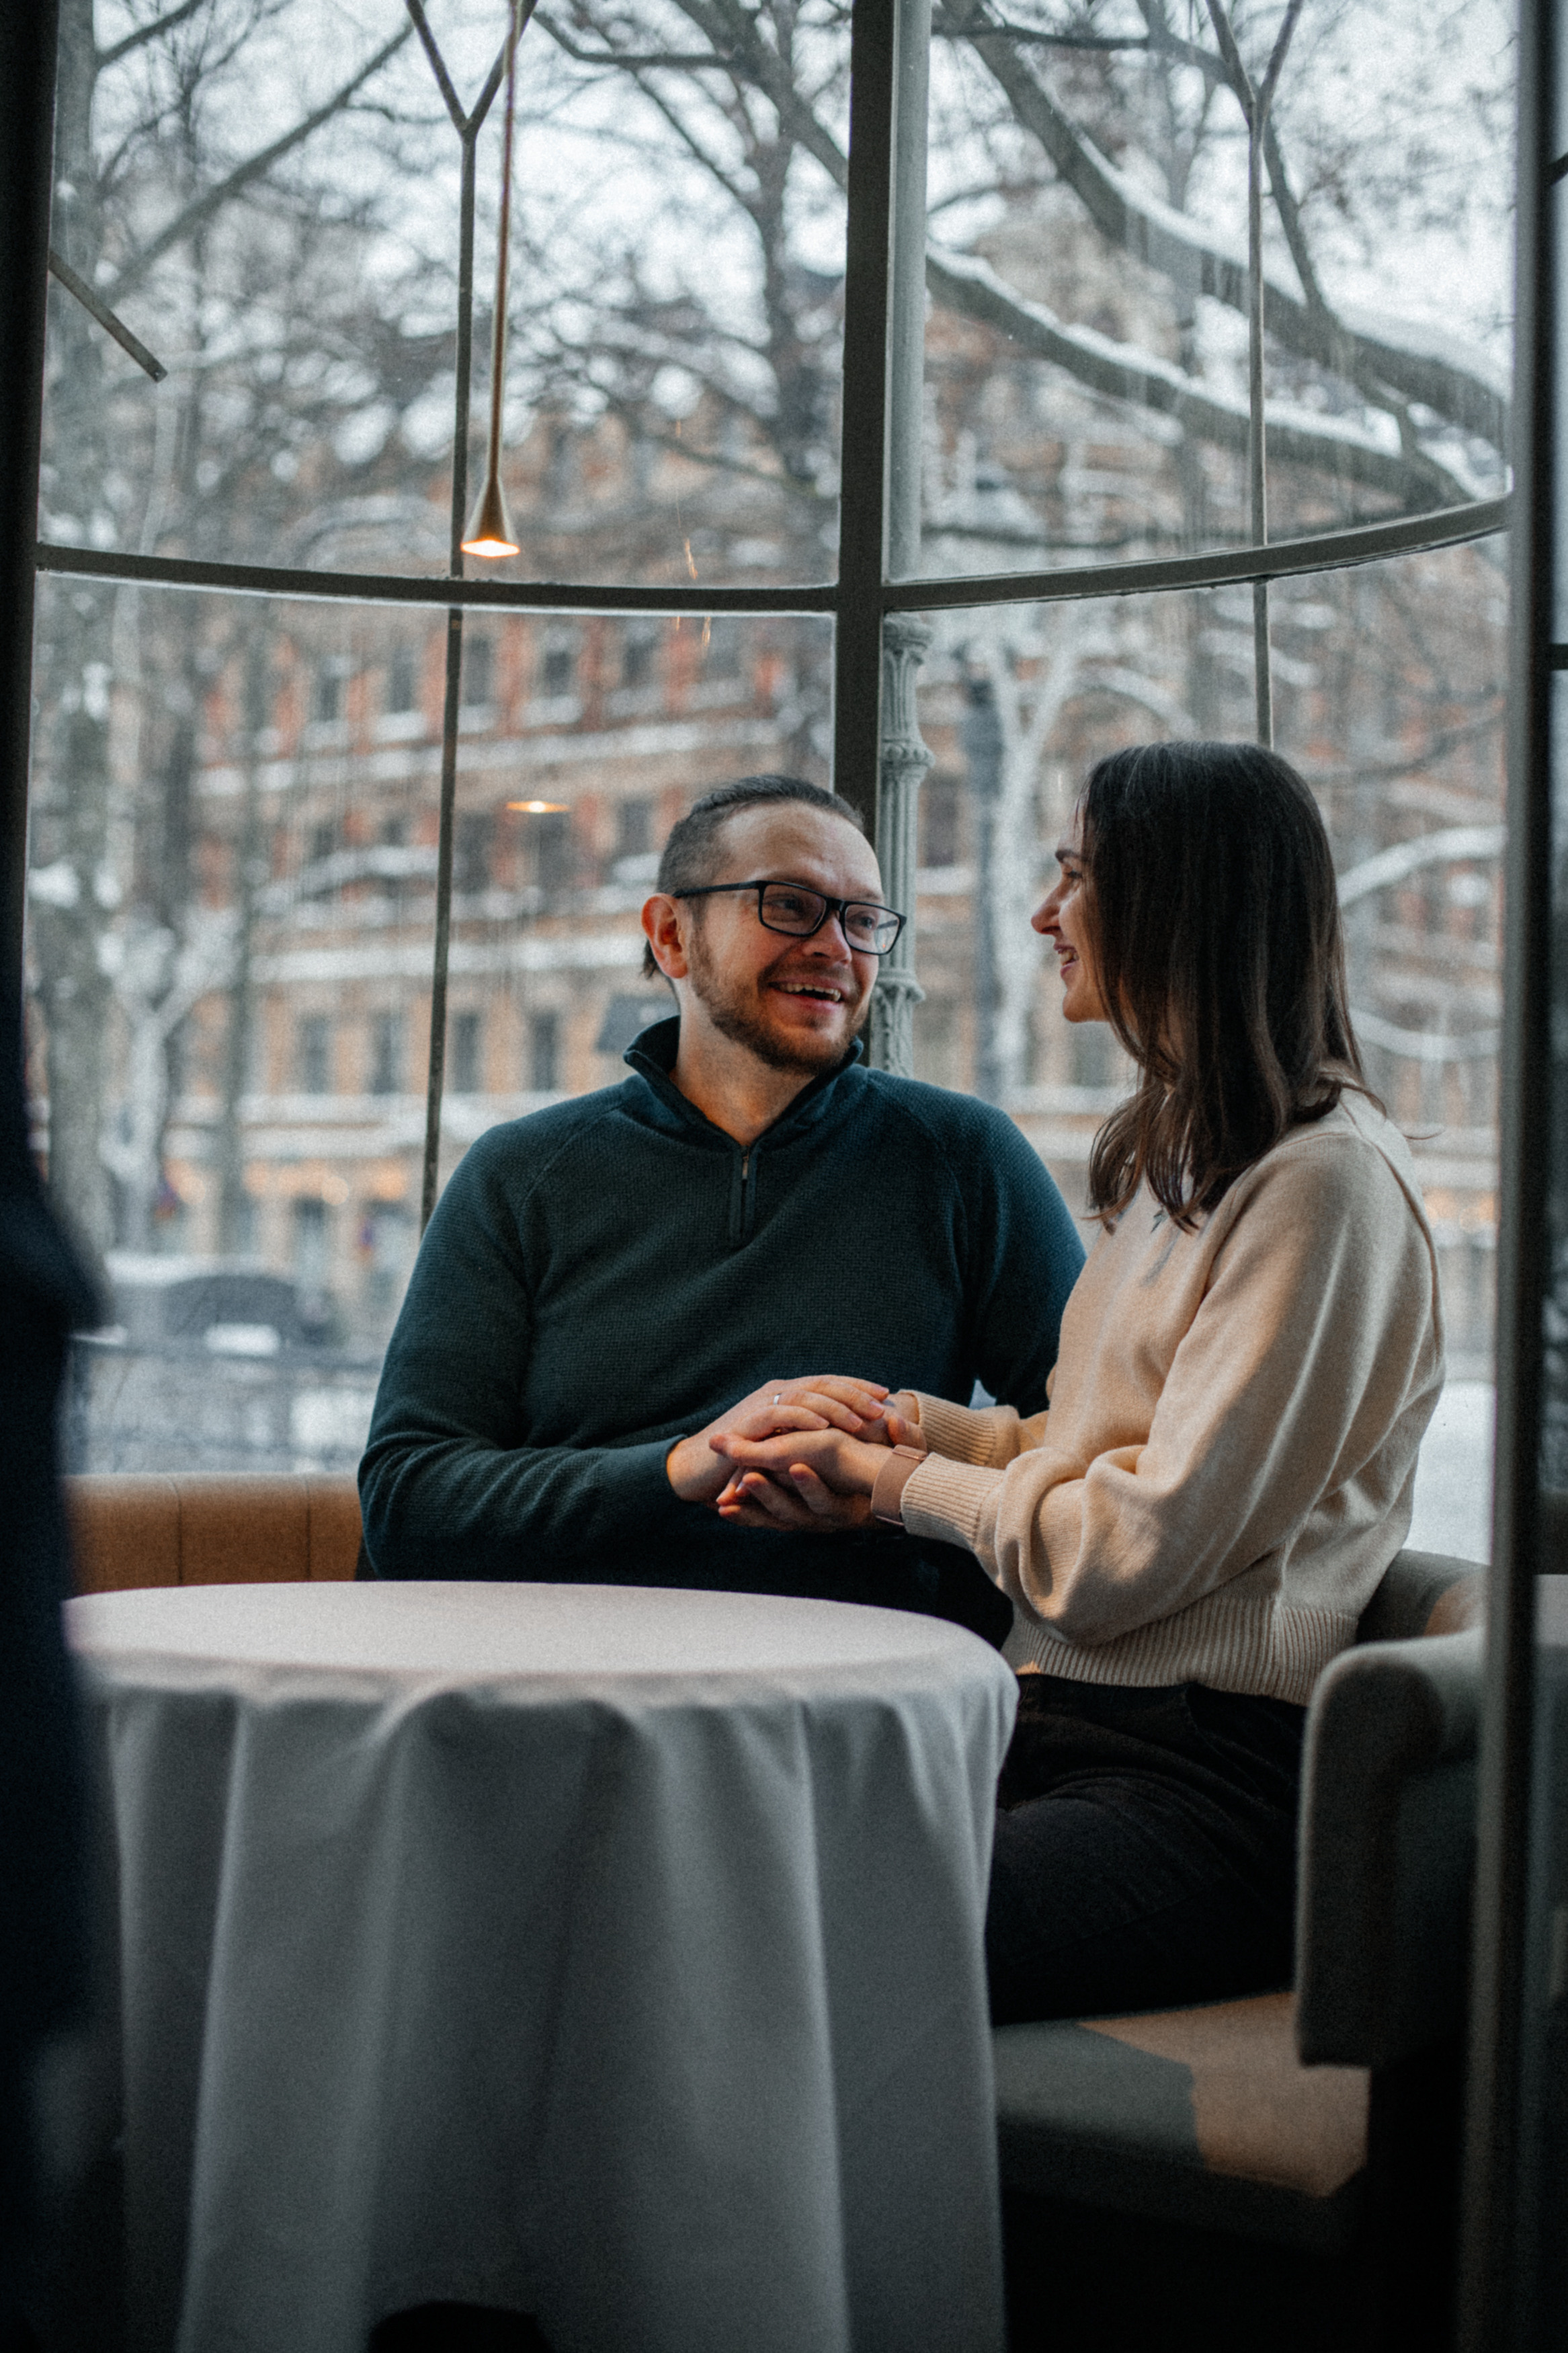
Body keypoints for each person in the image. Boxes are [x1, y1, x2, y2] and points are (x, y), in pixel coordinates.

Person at [710, 741, 1444, 2022]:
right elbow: (1098, 1444)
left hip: (1206, 1778)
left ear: (1178, 899)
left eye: (1074, 877)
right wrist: (906, 1426)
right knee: (699, 1874)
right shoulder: (1184, 1165)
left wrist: (894, 1483)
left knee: (793, 1938)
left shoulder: (1322, 1186)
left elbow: (1132, 1546)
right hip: (1056, 1727)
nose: (1045, 914)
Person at [360, 773, 1085, 1636]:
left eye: (861, 919)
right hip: (567, 1690)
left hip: (868, 1704)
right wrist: (683, 1465)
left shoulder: (966, 1160)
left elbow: (1087, 1448)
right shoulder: (521, 1175)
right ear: (671, 934)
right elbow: (407, 1500)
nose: (833, 947)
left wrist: (899, 1484)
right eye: (788, 904)